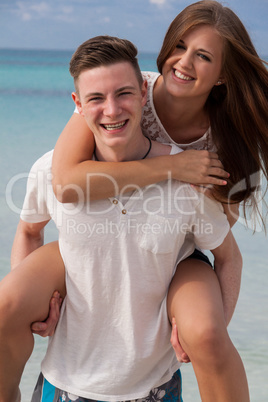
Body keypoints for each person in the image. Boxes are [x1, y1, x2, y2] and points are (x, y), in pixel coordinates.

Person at [0, 35, 248, 402]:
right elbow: (29, 229)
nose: (112, 110)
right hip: (65, 383)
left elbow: (228, 255)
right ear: (77, 105)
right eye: (96, 98)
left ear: (144, 92)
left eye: (124, 94)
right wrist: (35, 308)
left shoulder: (187, 181)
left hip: (153, 388)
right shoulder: (49, 169)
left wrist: (205, 338)